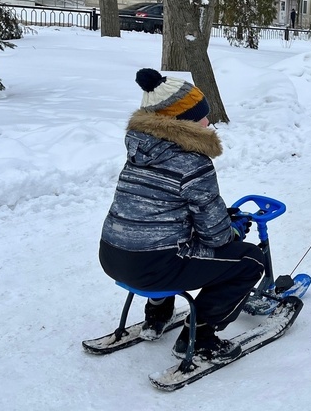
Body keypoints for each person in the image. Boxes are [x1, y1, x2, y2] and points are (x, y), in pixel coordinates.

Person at [99, 68, 265, 360]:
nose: (209, 121)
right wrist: (234, 230)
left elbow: (164, 215)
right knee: (250, 261)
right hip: (153, 267)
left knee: (165, 240)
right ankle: (199, 335)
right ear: (183, 122)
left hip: (113, 257)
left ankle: (157, 314)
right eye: (203, 115)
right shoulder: (192, 162)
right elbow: (216, 236)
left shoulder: (139, 154)